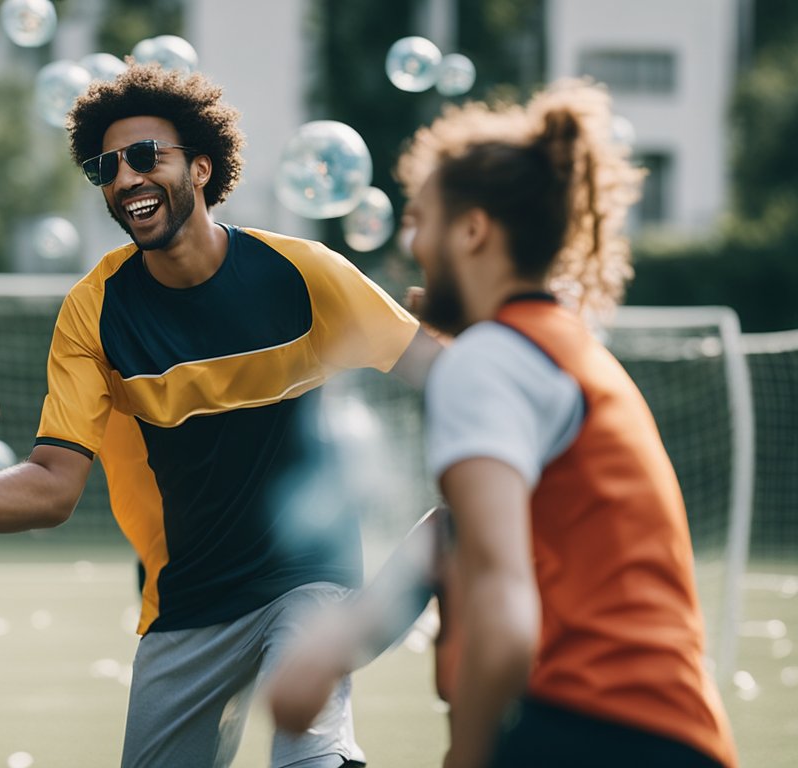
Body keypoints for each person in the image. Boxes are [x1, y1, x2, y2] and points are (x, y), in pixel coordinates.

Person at [0, 65, 441, 768]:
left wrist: (493, 324)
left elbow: (446, 375)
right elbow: (53, 487)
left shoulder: (303, 274)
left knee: (312, 755)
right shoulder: (94, 311)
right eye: (107, 166)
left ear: (203, 167)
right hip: (186, 597)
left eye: (146, 156)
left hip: (307, 579)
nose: (125, 179)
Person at [275, 81, 739, 767]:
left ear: (473, 230)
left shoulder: (491, 360)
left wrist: (467, 756)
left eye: (422, 219)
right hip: (663, 735)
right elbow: (455, 537)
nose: (414, 243)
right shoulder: (557, 348)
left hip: (597, 732)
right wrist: (340, 643)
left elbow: (502, 600)